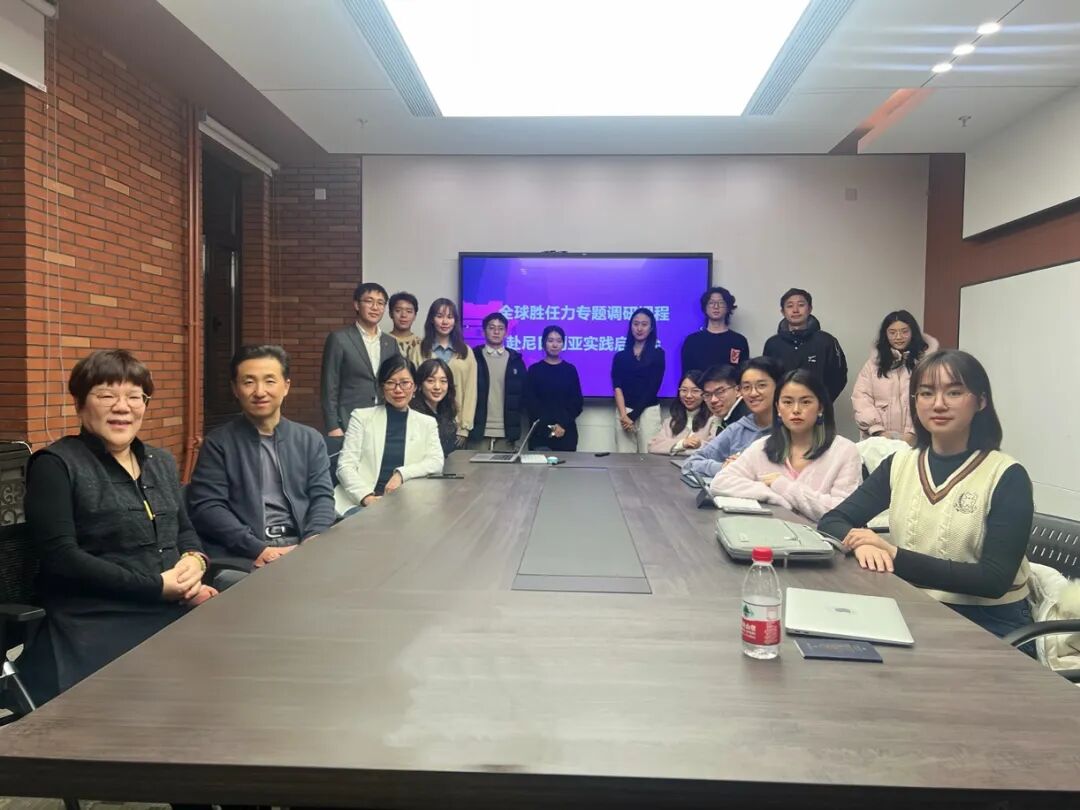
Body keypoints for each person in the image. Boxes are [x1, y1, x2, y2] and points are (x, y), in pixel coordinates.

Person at [19, 350, 215, 704]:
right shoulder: (55, 465)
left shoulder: (160, 461)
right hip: (95, 618)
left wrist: (194, 561)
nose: (122, 407)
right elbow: (61, 557)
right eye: (106, 395)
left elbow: (184, 530)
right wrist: (157, 587)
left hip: (168, 608)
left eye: (134, 396)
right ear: (80, 403)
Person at [819, 350, 1035, 640]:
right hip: (911, 604)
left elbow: (993, 580)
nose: (938, 404)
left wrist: (893, 555)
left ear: (981, 401)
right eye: (926, 393)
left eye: (954, 392)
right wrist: (861, 546)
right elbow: (832, 521)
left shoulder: (1006, 475)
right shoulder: (900, 464)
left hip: (988, 622)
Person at [186, 345, 336, 589]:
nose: (259, 391)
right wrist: (258, 549)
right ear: (235, 389)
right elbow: (208, 507)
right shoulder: (218, 443)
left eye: (269, 381)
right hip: (244, 552)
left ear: (286, 386)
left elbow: (322, 496)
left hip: (302, 542)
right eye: (248, 382)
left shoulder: (309, 439)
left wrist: (312, 540)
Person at [710, 369, 861, 521]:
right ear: (778, 408)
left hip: (820, 535)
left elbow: (843, 512)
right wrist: (774, 497)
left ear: (820, 407)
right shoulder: (762, 447)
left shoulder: (844, 451)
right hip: (768, 531)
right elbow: (720, 482)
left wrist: (783, 485)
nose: (796, 410)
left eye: (806, 402)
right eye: (787, 402)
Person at [334, 355, 444, 514]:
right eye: (391, 383)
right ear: (382, 387)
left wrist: (401, 474)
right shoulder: (361, 417)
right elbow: (345, 466)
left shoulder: (427, 423)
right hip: (360, 503)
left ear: (414, 387)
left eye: (405, 383)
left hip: (406, 503)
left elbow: (436, 461)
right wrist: (367, 498)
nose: (398, 389)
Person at [321, 282, 402, 437]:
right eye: (369, 301)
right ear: (357, 305)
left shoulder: (390, 342)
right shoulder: (339, 339)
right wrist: (333, 425)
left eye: (380, 303)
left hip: (384, 419)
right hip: (349, 421)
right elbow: (329, 385)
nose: (375, 307)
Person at [683, 356, 784, 479]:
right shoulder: (738, 429)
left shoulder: (793, 428)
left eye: (761, 385)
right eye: (746, 387)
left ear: (779, 387)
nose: (753, 393)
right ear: (740, 391)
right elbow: (690, 463)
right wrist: (724, 467)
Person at [851, 309, 939, 443]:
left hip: (917, 439)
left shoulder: (927, 364)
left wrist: (913, 432)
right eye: (892, 332)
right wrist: (877, 430)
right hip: (878, 439)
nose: (898, 337)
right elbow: (861, 397)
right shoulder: (873, 365)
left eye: (904, 332)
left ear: (913, 333)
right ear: (885, 334)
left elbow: (932, 399)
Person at [407, 297, 477, 448]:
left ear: (455, 321)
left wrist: (465, 427)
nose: (445, 322)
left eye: (450, 317)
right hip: (423, 421)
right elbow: (412, 388)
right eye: (439, 316)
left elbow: (471, 391)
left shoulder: (466, 352)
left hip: (456, 425)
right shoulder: (419, 350)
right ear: (432, 320)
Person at [763, 287, 847, 402]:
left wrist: (821, 402)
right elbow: (766, 378)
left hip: (819, 408)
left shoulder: (827, 341)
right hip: (781, 407)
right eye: (790, 306)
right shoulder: (772, 344)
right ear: (783, 312)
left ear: (810, 309)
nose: (795, 310)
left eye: (801, 305)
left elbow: (838, 376)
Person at [470, 312, 528, 452]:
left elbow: (524, 395)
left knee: (504, 467)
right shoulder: (473, 357)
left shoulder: (515, 360)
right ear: (484, 331)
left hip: (506, 432)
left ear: (506, 333)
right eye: (491, 328)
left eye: (500, 328)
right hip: (478, 430)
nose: (496, 332)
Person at [612, 307, 665, 452]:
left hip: (648, 410)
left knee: (649, 457)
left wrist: (633, 415)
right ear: (631, 326)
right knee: (624, 458)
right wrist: (624, 415)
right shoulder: (620, 356)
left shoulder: (658, 354)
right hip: (624, 411)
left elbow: (653, 387)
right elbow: (617, 386)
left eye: (644, 324)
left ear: (651, 328)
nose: (639, 328)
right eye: (635, 324)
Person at [526, 325, 583, 452]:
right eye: (550, 340)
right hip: (540, 434)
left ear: (563, 344)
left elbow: (577, 403)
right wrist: (549, 426)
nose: (555, 345)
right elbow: (531, 403)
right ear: (543, 343)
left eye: (559, 341)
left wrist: (561, 424)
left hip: (566, 432)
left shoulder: (570, 370)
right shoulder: (534, 370)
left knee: (566, 465)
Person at [680, 286, 750, 377]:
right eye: (711, 303)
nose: (716, 307)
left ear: (728, 307)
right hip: (700, 386)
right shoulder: (692, 341)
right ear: (705, 308)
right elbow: (687, 376)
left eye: (721, 303)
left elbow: (743, 375)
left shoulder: (739, 340)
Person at [647, 370, 710, 455]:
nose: (688, 395)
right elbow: (653, 446)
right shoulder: (671, 421)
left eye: (695, 391)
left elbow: (715, 449)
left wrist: (672, 448)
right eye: (684, 390)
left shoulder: (713, 420)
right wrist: (682, 444)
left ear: (705, 393)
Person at [411, 357, 459, 458]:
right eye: (430, 381)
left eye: (443, 381)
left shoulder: (446, 409)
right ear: (420, 384)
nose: (437, 387)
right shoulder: (414, 414)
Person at [699, 364, 748, 438]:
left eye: (720, 392)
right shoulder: (725, 418)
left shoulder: (745, 420)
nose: (713, 400)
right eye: (707, 394)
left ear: (738, 390)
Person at [388, 291, 422, 358]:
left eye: (409, 311)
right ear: (390, 314)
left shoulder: (422, 345)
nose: (403, 315)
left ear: (415, 316)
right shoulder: (382, 341)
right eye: (398, 310)